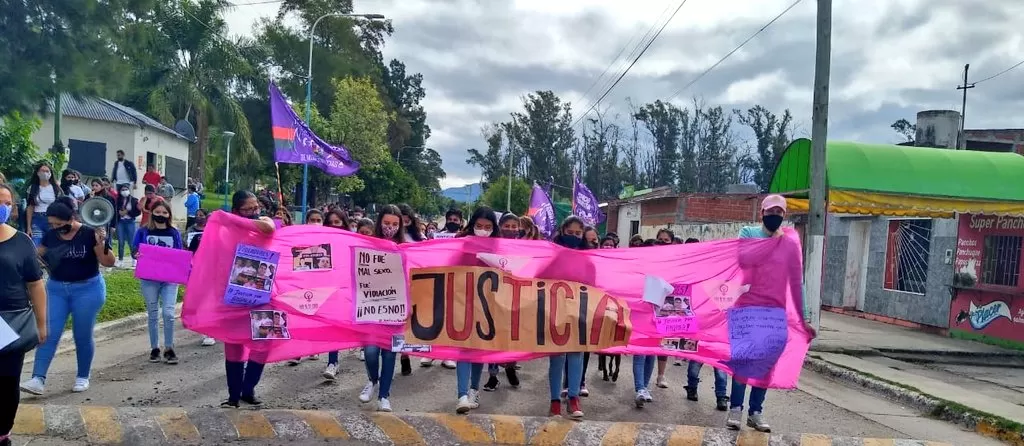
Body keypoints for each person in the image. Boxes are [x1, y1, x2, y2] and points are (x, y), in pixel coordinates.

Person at [725, 194, 816, 432]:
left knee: (766, 362)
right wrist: (773, 242)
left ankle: (756, 411)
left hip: (775, 311)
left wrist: (804, 318)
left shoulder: (790, 243)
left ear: (784, 215)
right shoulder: (748, 233)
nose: (774, 216)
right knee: (744, 359)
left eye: (779, 212)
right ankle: (735, 409)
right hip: (746, 306)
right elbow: (744, 260)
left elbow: (797, 283)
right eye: (770, 212)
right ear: (762, 213)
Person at [21, 197, 114, 395]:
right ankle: (38, 378)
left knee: (82, 334)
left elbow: (108, 262)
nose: (55, 227)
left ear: (71, 218)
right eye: (51, 224)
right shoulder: (51, 235)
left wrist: (101, 243)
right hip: (56, 289)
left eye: (59, 224)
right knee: (48, 333)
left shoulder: (89, 233)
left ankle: (82, 376)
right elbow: (36, 255)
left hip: (87, 290)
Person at [218, 191, 276, 408]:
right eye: (248, 209)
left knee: (264, 343)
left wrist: (239, 221)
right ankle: (233, 396)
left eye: (256, 207)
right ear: (236, 211)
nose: (254, 212)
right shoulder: (225, 232)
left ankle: (248, 388)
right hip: (234, 295)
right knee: (233, 345)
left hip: (263, 294)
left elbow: (268, 227)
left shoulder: (264, 223)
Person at [0, 183, 47, 446]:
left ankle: (3, 432)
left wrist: (41, 323)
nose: (2, 207)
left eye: (7, 203)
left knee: (7, 382)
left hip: (11, 322)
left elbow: (35, 284)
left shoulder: (21, 241)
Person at [449, 207, 499, 413]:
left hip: (488, 305)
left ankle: (473, 389)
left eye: (488, 227)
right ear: (472, 225)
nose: (483, 230)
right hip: (463, 301)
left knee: (478, 350)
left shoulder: (499, 247)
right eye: (479, 226)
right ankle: (461, 395)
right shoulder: (462, 244)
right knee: (463, 348)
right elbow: (450, 268)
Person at [358, 204, 405, 413]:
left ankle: (384, 395)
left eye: (395, 224)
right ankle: (372, 380)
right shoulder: (367, 244)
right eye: (387, 223)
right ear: (379, 222)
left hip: (396, 310)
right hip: (369, 307)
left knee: (389, 354)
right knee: (369, 351)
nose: (390, 227)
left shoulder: (405, 247)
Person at [132, 201, 183, 364]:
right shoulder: (143, 231)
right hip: (149, 279)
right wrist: (137, 255)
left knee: (168, 313)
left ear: (169, 215)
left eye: (164, 213)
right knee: (153, 313)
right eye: (158, 212)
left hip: (169, 279)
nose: (161, 215)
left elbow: (179, 254)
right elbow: (134, 251)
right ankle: (155, 348)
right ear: (152, 213)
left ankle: (169, 347)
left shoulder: (174, 232)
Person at [549, 216, 587, 419]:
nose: (574, 236)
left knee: (576, 355)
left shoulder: (589, 258)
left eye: (578, 233)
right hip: (555, 311)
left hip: (580, 312)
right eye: (570, 232)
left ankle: (573, 398)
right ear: (562, 231)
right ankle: (555, 401)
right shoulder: (551, 256)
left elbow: (595, 284)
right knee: (556, 358)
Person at [482, 213, 522, 393]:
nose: (511, 229)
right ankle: (493, 375)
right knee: (493, 338)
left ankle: (511, 366)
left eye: (515, 227)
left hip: (515, 298)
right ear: (500, 226)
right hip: (493, 297)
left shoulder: (525, 247)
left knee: (512, 337)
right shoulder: (492, 246)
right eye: (507, 226)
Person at [421, 208, 464, 368]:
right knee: (436, 318)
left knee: (452, 320)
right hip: (439, 280)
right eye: (450, 219)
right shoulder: (437, 236)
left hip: (458, 282)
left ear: (461, 221)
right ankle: (431, 353)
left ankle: (448, 355)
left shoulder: (465, 237)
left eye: (456, 219)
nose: (453, 221)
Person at [652, 228, 676, 388]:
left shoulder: (677, 259)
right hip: (651, 299)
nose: (662, 242)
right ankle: (641, 381)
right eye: (659, 239)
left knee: (665, 340)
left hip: (669, 302)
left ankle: (661, 375)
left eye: (666, 240)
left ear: (672, 242)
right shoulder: (651, 257)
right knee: (648, 338)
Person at [25, 162, 63, 246]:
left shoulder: (56, 188)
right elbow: (30, 207)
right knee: (36, 245)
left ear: (50, 173)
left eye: (47, 171)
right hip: (37, 219)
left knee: (52, 245)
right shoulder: (32, 188)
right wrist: (28, 226)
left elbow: (61, 206)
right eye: (42, 171)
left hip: (52, 219)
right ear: (37, 173)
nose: (45, 173)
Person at [114, 184, 141, 268]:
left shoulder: (134, 200)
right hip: (120, 222)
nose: (124, 191)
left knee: (131, 242)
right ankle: (120, 259)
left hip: (130, 222)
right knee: (121, 241)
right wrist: (119, 213)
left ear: (129, 190)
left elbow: (138, 212)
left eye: (126, 189)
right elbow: (114, 210)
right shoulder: (117, 200)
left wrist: (128, 212)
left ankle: (134, 259)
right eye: (122, 189)